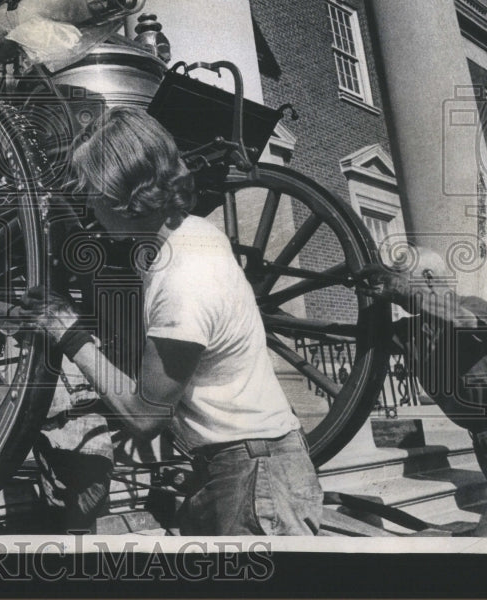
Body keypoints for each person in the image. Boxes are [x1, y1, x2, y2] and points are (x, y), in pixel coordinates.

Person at [23, 106, 324, 536]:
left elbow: (145, 417)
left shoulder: (184, 278)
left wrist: (68, 332)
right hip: (246, 465)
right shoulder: (196, 234)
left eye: (91, 189)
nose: (87, 201)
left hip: (255, 479)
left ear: (119, 195)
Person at [363, 247, 487, 537]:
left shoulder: (474, 304)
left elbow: (463, 322)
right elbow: (366, 339)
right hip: (484, 438)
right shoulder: (411, 331)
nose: (397, 293)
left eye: (402, 280)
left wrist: (406, 292)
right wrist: (373, 297)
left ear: (428, 278)